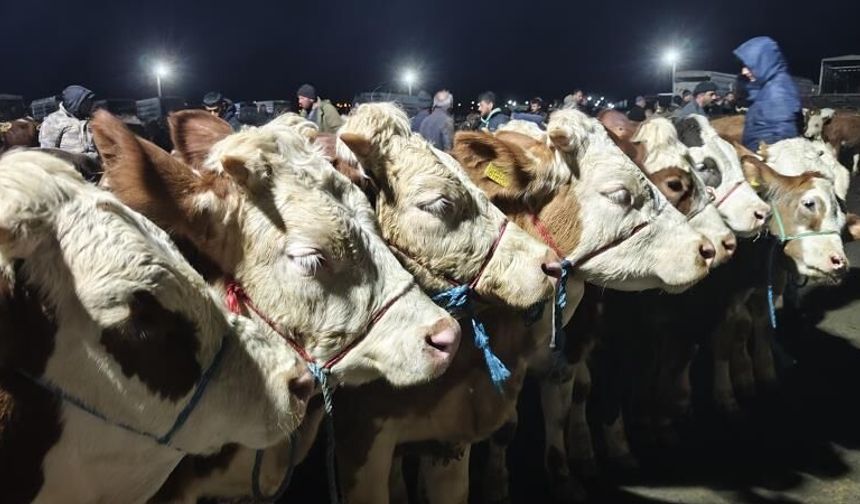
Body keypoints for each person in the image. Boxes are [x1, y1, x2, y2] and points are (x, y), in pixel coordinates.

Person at [733, 36, 801, 151]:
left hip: (767, 161)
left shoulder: (778, 89)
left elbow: (781, 137)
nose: (743, 72)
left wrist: (761, 160)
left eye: (749, 66)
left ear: (763, 62)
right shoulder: (766, 88)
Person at [39, 85, 98, 159]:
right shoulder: (53, 121)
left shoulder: (89, 118)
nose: (90, 106)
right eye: (86, 103)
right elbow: (48, 154)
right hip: (69, 167)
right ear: (74, 103)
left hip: (93, 165)